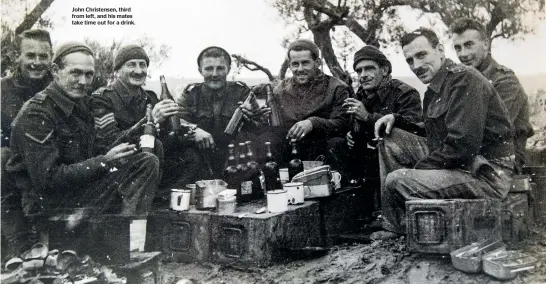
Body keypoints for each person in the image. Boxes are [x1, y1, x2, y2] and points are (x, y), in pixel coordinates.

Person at [372, 28, 515, 240]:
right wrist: (397, 119)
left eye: (422, 55)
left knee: (396, 180)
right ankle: (399, 224)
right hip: (463, 164)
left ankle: (422, 223)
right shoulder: (436, 86)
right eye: (410, 60)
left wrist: (417, 171)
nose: (416, 66)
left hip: (486, 173)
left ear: (440, 50)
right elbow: (434, 133)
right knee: (391, 138)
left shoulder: (464, 79)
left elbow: (462, 146)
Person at [5, 41, 159, 226]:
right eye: (75, 73)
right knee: (144, 164)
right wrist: (105, 161)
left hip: (78, 191)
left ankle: (127, 234)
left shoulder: (82, 104)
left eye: (88, 75)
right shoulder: (37, 114)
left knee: (146, 160)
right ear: (55, 71)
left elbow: (100, 146)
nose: (83, 82)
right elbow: (48, 180)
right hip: (49, 205)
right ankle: (124, 238)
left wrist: (145, 125)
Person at [91, 44, 199, 201]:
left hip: (152, 160)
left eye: (143, 65)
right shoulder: (103, 97)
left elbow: (162, 140)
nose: (139, 70)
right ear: (118, 70)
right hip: (121, 165)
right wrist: (150, 120)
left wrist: (184, 134)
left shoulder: (151, 97)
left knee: (190, 156)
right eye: (131, 65)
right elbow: (109, 143)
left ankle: (160, 200)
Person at [328, 45, 422, 185]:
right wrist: (350, 134)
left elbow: (412, 132)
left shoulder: (405, 93)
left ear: (384, 70)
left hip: (394, 159)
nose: (363, 75)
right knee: (335, 144)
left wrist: (368, 117)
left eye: (369, 68)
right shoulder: (360, 95)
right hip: (367, 159)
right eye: (359, 71)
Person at [450, 18, 533, 173]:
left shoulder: (505, 81)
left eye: (469, 45)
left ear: (486, 45)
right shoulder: (463, 80)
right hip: (469, 158)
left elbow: (493, 131)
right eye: (458, 48)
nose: (463, 54)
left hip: (500, 165)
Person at [1, 29, 53, 261]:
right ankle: (17, 245)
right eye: (30, 56)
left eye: (43, 56)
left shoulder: (58, 86)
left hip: (48, 156)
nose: (37, 62)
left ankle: (46, 243)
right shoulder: (3, 89)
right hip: (11, 158)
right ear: (17, 57)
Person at [177, 46, 265, 176]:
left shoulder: (242, 92)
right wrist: (194, 129)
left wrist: (249, 118)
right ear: (200, 70)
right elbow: (178, 120)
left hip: (234, 155)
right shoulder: (191, 93)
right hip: (202, 155)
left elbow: (260, 126)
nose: (214, 74)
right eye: (208, 69)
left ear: (228, 69)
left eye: (220, 68)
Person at [269, 39, 351, 164]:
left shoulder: (337, 88)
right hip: (290, 150)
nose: (300, 69)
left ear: (317, 63)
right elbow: (275, 127)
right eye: (295, 64)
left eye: (305, 63)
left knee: (337, 144)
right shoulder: (279, 90)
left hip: (323, 148)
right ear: (289, 65)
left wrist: (313, 123)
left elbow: (342, 124)